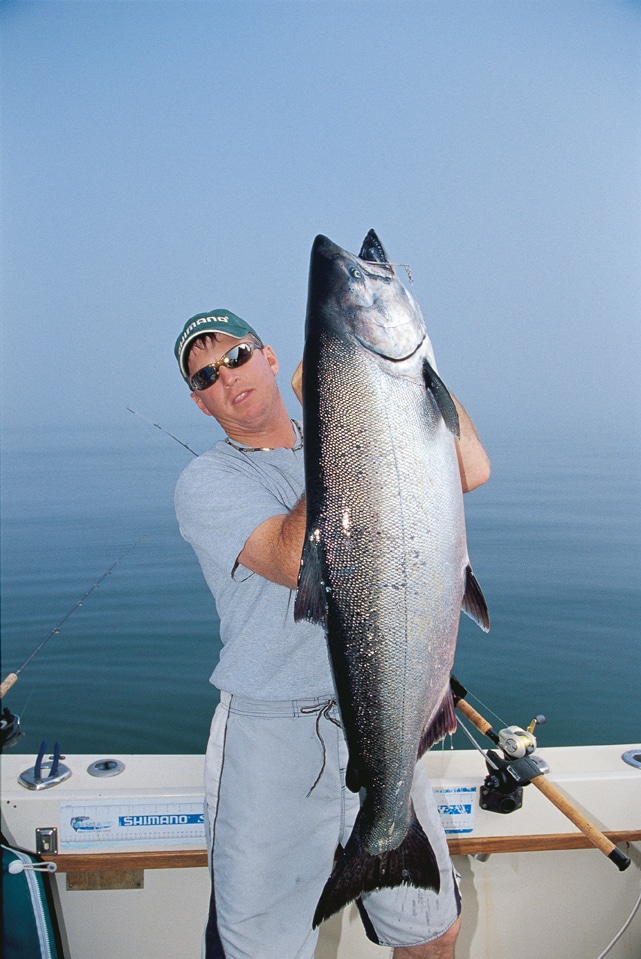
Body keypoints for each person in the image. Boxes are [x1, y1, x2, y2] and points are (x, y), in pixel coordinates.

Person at [174, 309, 491, 959]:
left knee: (432, 933)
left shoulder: (367, 440)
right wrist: (336, 419)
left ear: (267, 356)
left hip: (385, 713)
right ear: (200, 404)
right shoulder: (208, 482)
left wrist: (405, 370)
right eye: (205, 375)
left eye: (235, 356)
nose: (226, 377)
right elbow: (296, 560)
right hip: (273, 737)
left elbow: (470, 466)